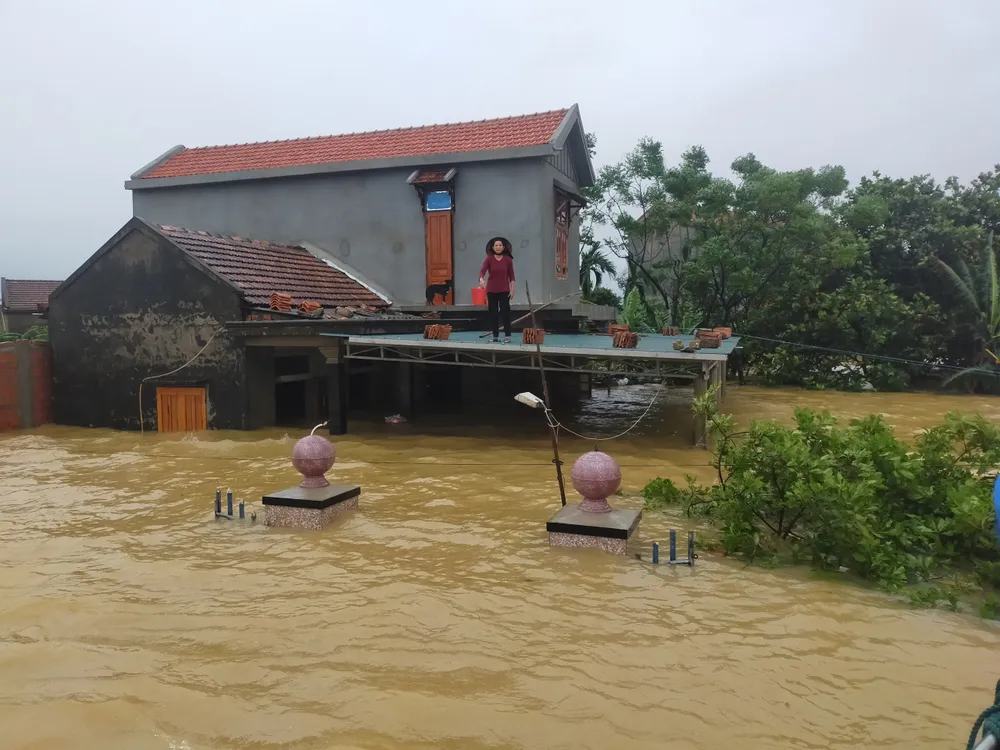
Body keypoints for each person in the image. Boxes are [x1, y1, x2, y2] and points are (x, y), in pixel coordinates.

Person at [479, 236, 515, 343]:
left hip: (504, 290)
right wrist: (481, 279)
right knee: (493, 313)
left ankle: (507, 335)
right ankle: (495, 336)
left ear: (503, 247)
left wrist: (512, 289)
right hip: (491, 290)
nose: (498, 247)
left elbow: (512, 276)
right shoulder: (489, 259)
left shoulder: (508, 260)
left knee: (505, 312)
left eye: (500, 245)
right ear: (493, 247)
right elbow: (482, 271)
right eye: (496, 245)